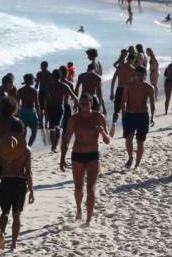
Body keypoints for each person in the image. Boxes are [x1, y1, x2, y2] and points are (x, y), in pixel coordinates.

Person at [60, 95, 110, 224]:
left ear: (91, 102)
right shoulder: (74, 119)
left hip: (93, 155)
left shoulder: (98, 117)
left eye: (86, 103)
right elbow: (66, 139)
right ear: (79, 105)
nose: (84, 106)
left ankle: (88, 218)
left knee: (90, 188)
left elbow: (107, 140)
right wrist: (62, 158)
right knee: (78, 187)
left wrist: (103, 132)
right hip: (77, 155)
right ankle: (78, 210)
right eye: (81, 104)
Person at [0, 119, 34, 251]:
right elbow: (28, 172)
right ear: (22, 131)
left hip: (5, 181)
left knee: (4, 213)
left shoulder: (0, 147)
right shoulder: (26, 149)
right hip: (19, 182)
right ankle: (14, 243)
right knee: (16, 214)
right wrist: (31, 190)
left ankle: (2, 233)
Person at [120, 64, 156, 170]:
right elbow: (123, 101)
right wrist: (123, 114)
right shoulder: (128, 86)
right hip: (130, 115)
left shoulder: (149, 87)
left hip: (142, 115)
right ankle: (130, 158)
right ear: (135, 74)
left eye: (142, 75)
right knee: (128, 138)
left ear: (145, 75)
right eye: (138, 74)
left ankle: (137, 164)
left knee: (140, 141)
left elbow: (153, 103)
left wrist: (152, 116)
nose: (140, 76)